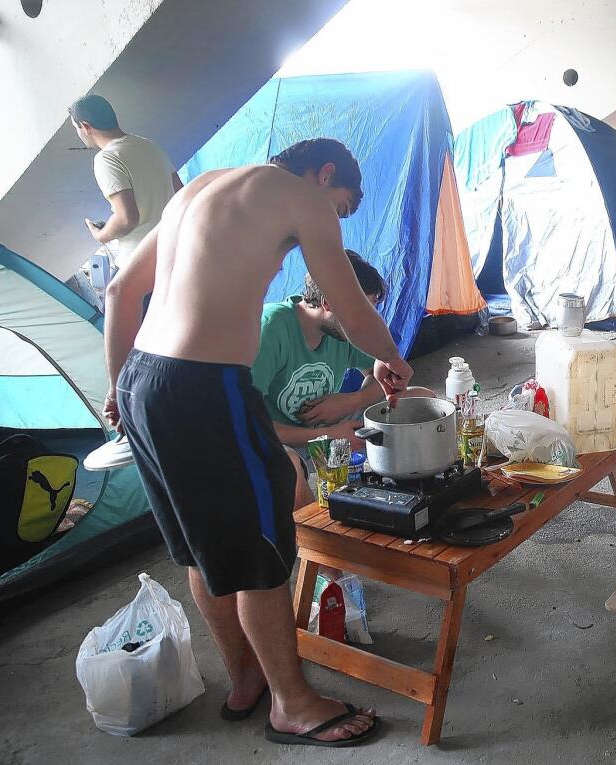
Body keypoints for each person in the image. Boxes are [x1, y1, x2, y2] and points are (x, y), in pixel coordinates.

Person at [105, 137, 412, 747]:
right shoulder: (299, 197)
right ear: (325, 174)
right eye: (343, 207)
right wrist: (391, 360)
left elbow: (120, 293)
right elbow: (349, 308)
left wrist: (118, 389)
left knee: (203, 548)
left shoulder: (195, 189)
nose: (336, 223)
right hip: (205, 386)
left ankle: (247, 680)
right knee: (264, 549)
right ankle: (292, 704)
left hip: (144, 378)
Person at [251, 248, 435, 510]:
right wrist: (329, 435)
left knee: (422, 400)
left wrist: (351, 401)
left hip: (335, 425)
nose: (368, 322)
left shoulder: (346, 329)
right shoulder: (272, 329)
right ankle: (319, 543)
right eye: (363, 311)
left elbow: (377, 374)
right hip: (285, 438)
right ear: (328, 303)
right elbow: (249, 422)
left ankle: (415, 493)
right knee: (287, 466)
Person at [69, 94, 182, 268]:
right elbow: (180, 193)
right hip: (174, 248)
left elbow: (127, 219)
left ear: (85, 126)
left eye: (75, 127)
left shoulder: (106, 159)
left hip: (141, 260)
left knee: (115, 294)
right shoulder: (150, 146)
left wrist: (101, 235)